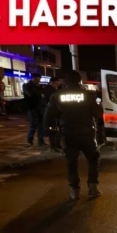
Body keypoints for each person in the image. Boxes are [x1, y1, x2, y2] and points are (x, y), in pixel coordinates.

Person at [44, 70, 105, 200]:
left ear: (65, 81)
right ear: (79, 80)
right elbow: (98, 114)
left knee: (71, 163)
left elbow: (49, 116)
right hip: (86, 134)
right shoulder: (87, 95)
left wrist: (52, 134)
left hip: (68, 134)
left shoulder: (57, 96)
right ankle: (93, 187)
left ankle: (74, 191)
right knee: (93, 159)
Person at [23, 73, 45, 146]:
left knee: (41, 125)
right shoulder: (27, 86)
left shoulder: (40, 86)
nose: (39, 80)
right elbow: (31, 95)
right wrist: (39, 91)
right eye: (37, 78)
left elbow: (43, 95)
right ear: (33, 78)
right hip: (32, 107)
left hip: (40, 107)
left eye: (39, 78)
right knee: (33, 124)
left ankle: (40, 141)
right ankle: (30, 140)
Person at [42, 77, 62, 151]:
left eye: (58, 83)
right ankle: (53, 146)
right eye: (56, 83)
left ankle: (57, 144)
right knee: (52, 130)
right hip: (50, 112)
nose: (57, 85)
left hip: (56, 112)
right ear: (52, 82)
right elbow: (45, 101)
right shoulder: (48, 90)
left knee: (57, 130)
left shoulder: (56, 90)